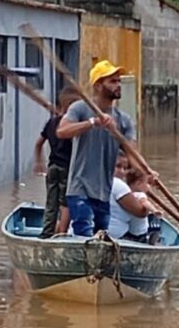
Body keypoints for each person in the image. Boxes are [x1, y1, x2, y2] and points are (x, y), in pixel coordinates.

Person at [57, 60, 139, 237]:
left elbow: (132, 153)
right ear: (98, 85)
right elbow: (62, 131)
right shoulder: (80, 108)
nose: (118, 85)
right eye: (112, 81)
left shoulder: (123, 120)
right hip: (80, 188)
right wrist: (92, 123)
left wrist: (147, 174)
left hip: (104, 191)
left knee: (101, 236)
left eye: (118, 81)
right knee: (84, 234)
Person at [34, 87, 79, 238]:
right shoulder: (71, 127)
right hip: (67, 169)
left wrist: (39, 161)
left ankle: (46, 233)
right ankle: (62, 233)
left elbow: (39, 143)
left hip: (52, 167)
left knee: (51, 203)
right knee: (66, 203)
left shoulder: (52, 122)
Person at [108, 157, 163, 244]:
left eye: (125, 168)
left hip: (121, 232)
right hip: (127, 235)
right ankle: (153, 242)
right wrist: (154, 210)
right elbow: (142, 211)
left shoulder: (123, 187)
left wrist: (148, 175)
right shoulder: (122, 187)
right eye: (118, 166)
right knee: (155, 222)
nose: (122, 171)